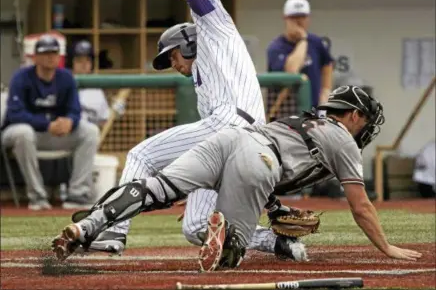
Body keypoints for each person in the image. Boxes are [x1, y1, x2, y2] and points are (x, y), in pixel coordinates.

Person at [52, 0, 305, 261]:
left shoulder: (214, 34)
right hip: (238, 139)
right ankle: (279, 243)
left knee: (142, 155)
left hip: (231, 124)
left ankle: (113, 232)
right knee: (196, 227)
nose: (171, 64)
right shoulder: (203, 83)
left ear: (187, 44)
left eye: (172, 55)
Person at [52, 85, 423, 272]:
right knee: (231, 255)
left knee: (159, 189)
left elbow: (254, 169)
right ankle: (225, 234)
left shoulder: (307, 121)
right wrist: (386, 248)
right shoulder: (344, 140)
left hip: (234, 138)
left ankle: (89, 226)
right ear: (354, 116)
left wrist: (273, 205)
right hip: (261, 158)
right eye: (367, 118)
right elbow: (361, 206)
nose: (368, 126)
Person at [1, 34, 100, 210]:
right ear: (35, 57)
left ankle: (78, 194)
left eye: (54, 53)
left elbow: (75, 110)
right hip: (22, 134)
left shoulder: (66, 77)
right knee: (23, 132)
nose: (50, 57)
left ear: (59, 56)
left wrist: (70, 121)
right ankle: (37, 196)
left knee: (90, 131)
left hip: (54, 133)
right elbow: (15, 114)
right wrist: (47, 125)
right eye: (45, 53)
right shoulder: (21, 77)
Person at [267, 0, 334, 107]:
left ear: (308, 18)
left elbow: (327, 64)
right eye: (293, 17)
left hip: (312, 111)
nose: (299, 21)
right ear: (285, 19)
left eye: (303, 17)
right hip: (286, 112)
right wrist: (303, 39)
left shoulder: (316, 42)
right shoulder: (276, 47)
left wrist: (326, 91)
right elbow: (292, 71)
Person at [69, 40, 111, 126]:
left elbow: (103, 121)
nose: (84, 64)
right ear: (71, 63)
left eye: (87, 60)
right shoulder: (64, 84)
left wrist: (113, 113)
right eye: (79, 60)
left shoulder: (96, 89)